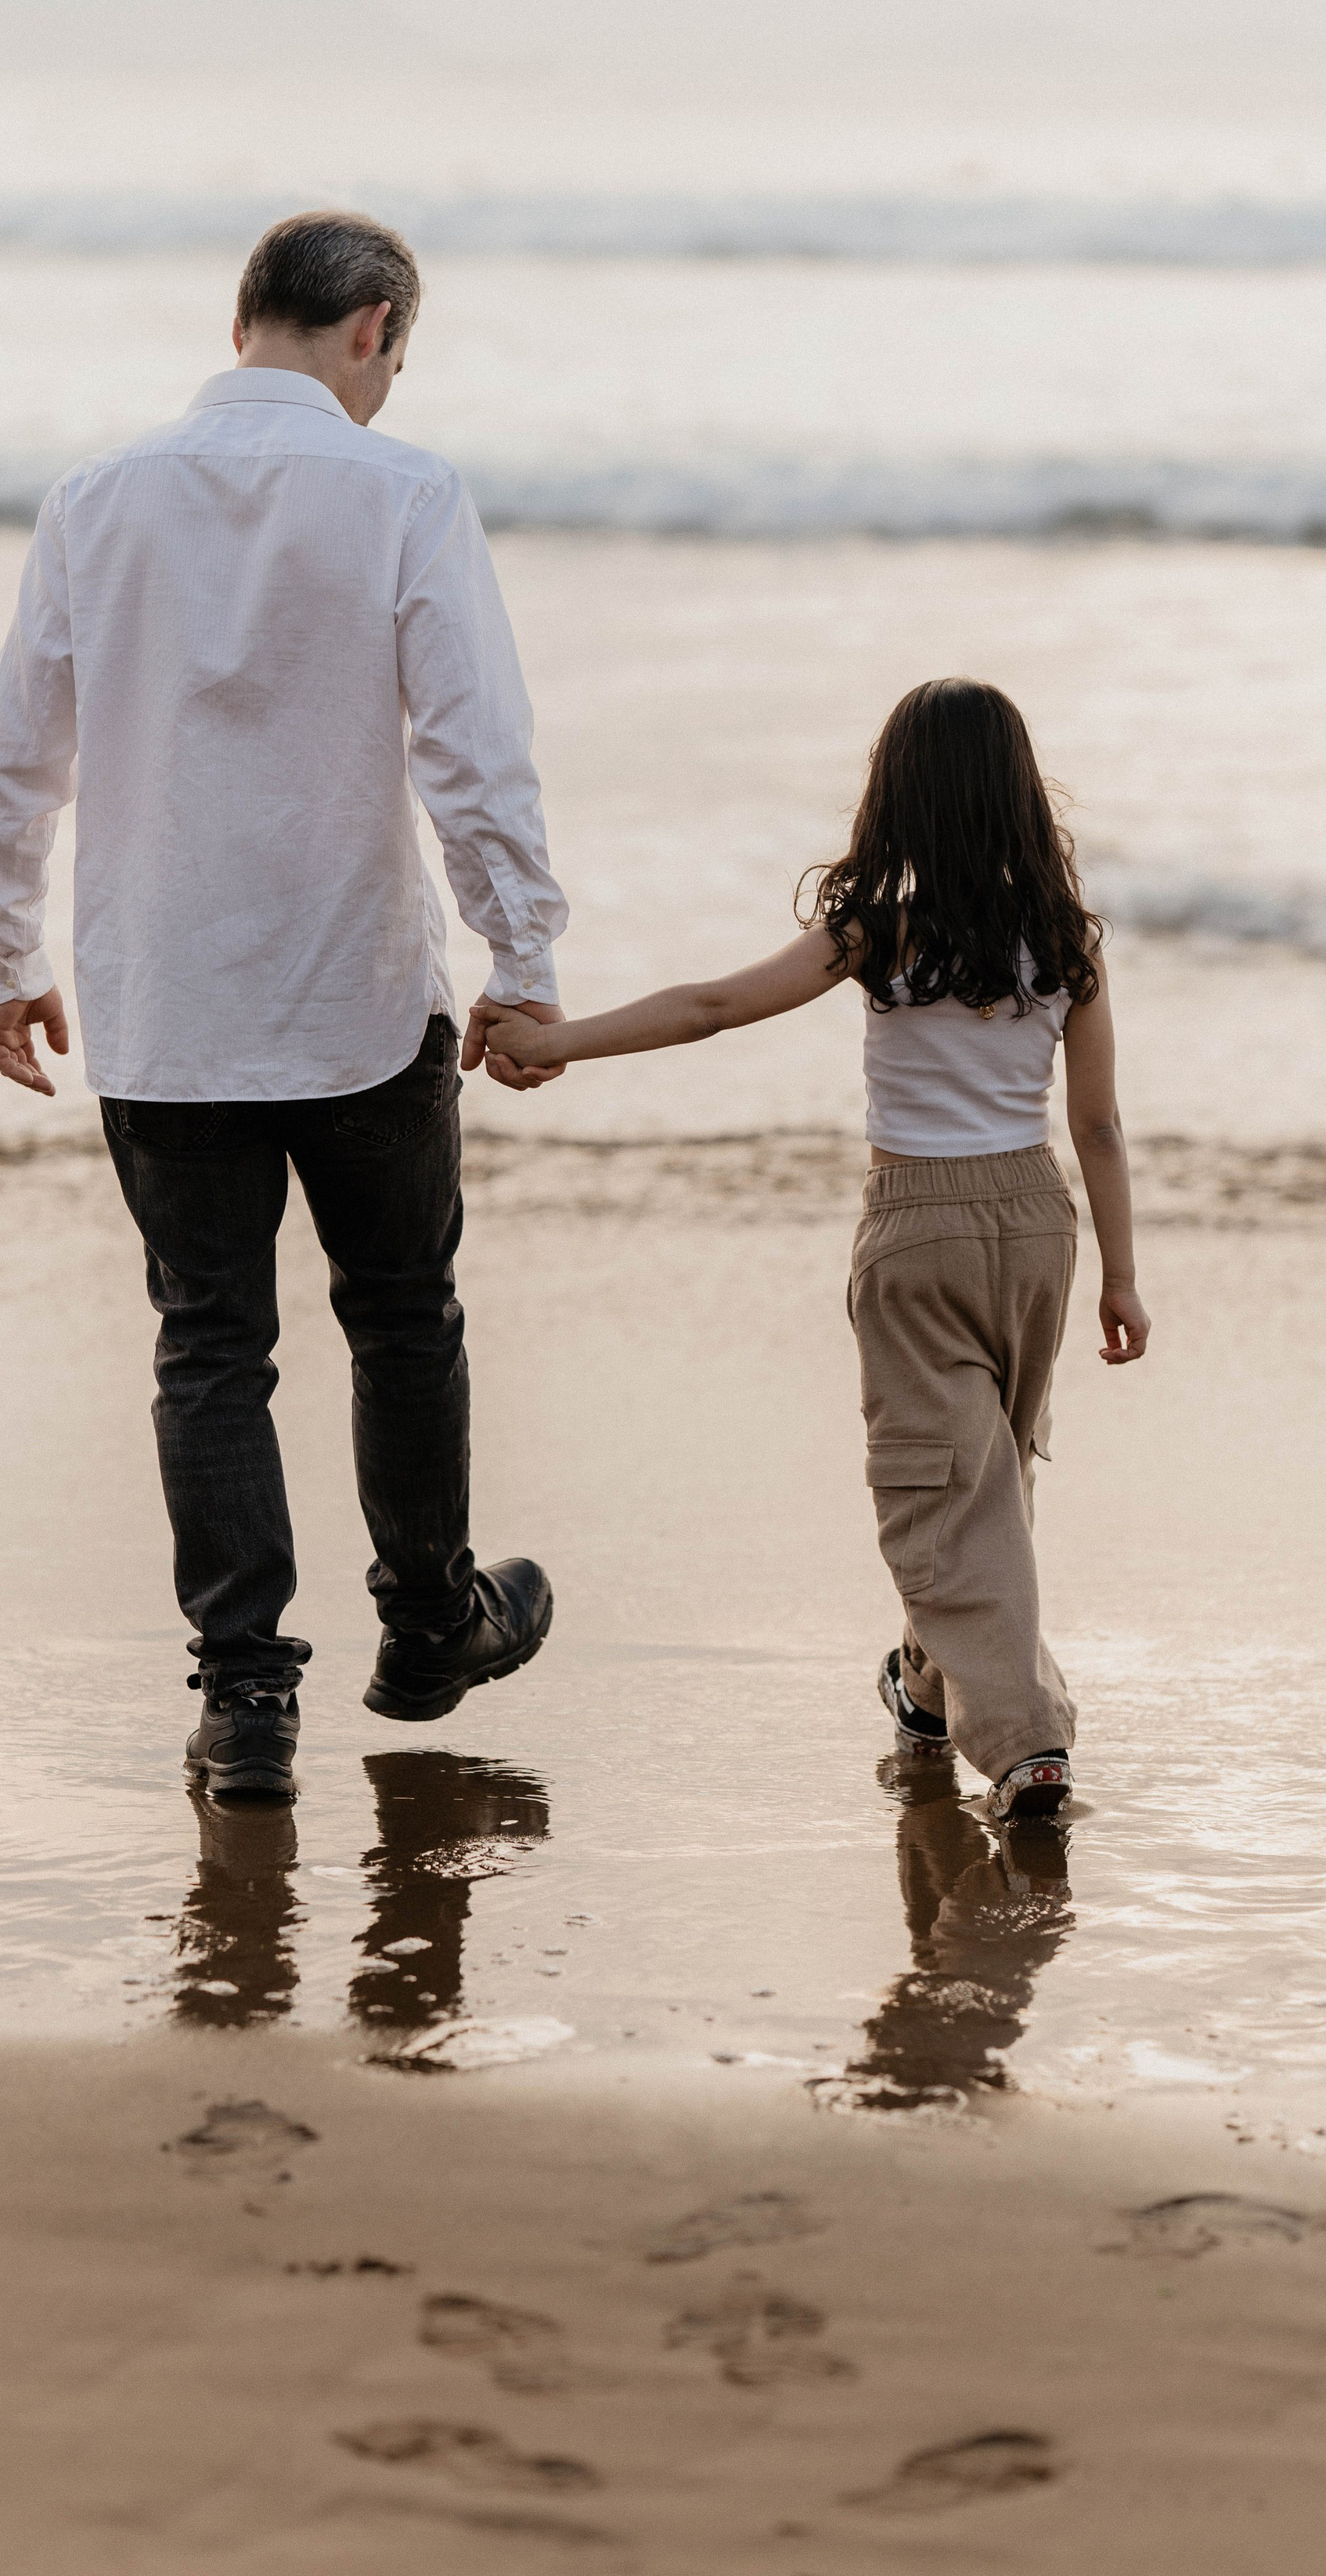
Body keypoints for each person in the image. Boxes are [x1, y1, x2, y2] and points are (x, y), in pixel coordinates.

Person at [0, 210, 568, 1803]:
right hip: (352, 988)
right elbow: (472, 748)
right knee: (400, 1312)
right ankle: (430, 1627)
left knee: (207, 1346)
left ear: (246, 327)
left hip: (161, 998)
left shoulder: (98, 500)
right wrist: (524, 958)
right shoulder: (404, 491)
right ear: (370, 328)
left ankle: (243, 1701)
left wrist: (3, 945)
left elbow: (17, 743)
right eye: (394, 355)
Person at [481, 677, 1149, 1820]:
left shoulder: (876, 935)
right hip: (1042, 1225)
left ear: (898, 800)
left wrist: (562, 1043)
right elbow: (1096, 1122)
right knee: (988, 1472)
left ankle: (1029, 1740)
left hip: (918, 1228)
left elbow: (710, 1007)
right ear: (1018, 799)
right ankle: (931, 1693)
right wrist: (1123, 1277)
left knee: (940, 1486)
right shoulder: (1063, 941)